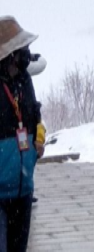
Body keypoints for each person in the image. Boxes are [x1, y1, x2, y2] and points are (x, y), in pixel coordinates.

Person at [0, 17, 42, 252]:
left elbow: (35, 116)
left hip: (23, 189)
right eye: (22, 49)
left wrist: (39, 138)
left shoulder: (25, 80)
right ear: (9, 54)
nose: (27, 53)